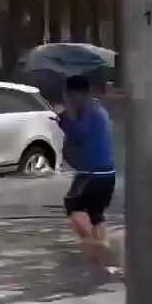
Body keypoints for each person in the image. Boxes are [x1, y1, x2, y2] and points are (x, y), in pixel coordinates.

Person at [58, 74, 115, 249]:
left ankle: (96, 245)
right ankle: (102, 243)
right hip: (106, 174)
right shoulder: (97, 108)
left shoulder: (87, 112)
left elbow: (78, 136)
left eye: (67, 94)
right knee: (96, 214)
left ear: (75, 93)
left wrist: (67, 119)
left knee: (73, 208)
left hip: (92, 174)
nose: (65, 97)